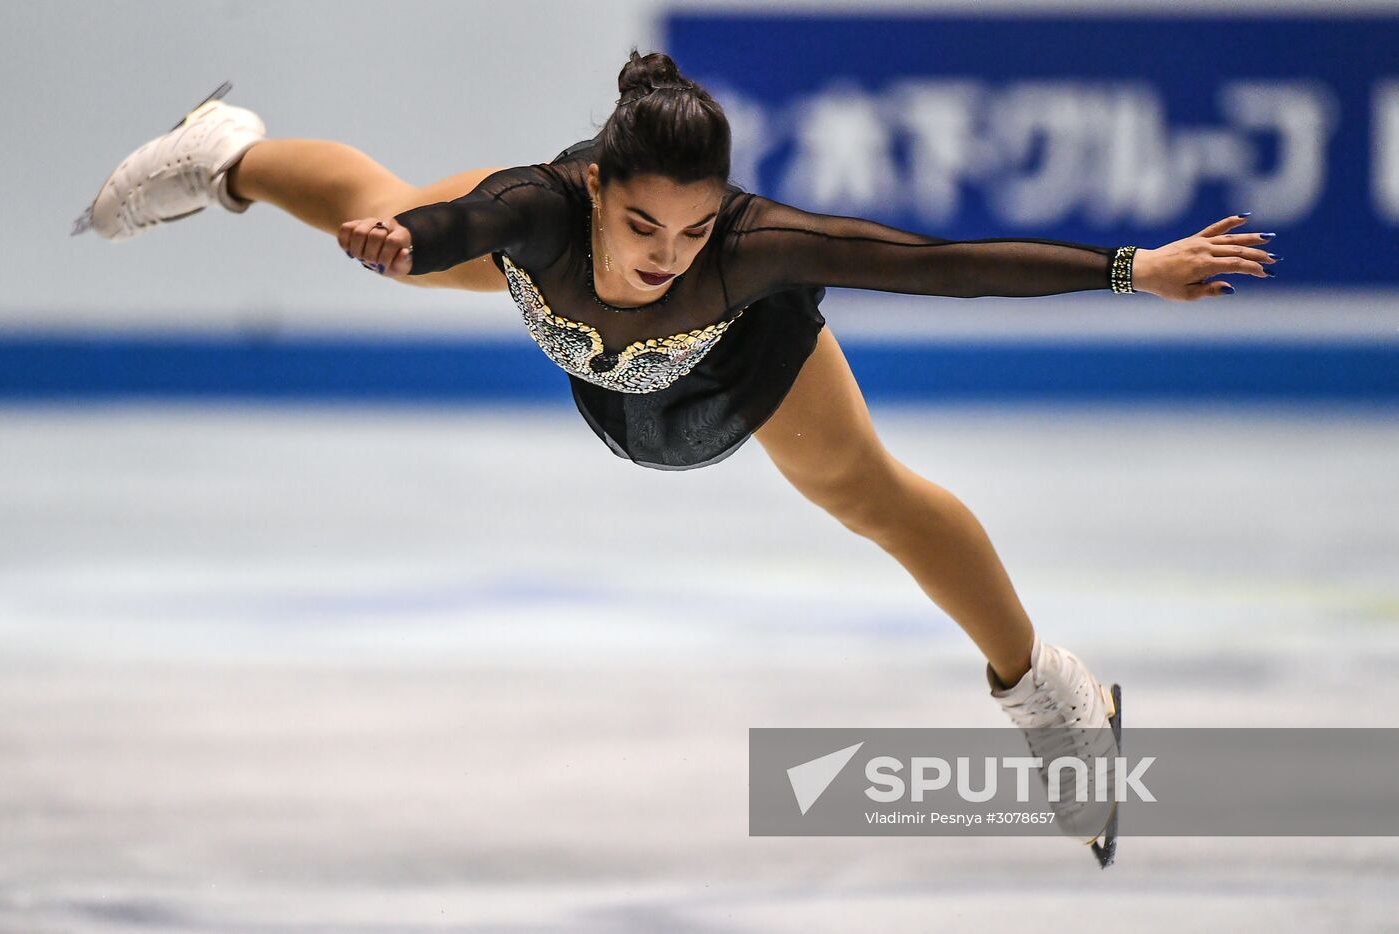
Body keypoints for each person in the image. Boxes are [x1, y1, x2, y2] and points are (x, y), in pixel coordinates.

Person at [74, 51, 1278, 865]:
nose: (664, 253)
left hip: (731, 372)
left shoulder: (749, 256)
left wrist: (1131, 267)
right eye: (642, 222)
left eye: (693, 228)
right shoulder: (538, 212)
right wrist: (411, 238)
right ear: (595, 186)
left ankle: (1049, 694)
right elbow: (459, 220)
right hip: (588, 345)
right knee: (379, 202)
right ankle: (221, 152)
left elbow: (938, 260)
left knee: (874, 499)